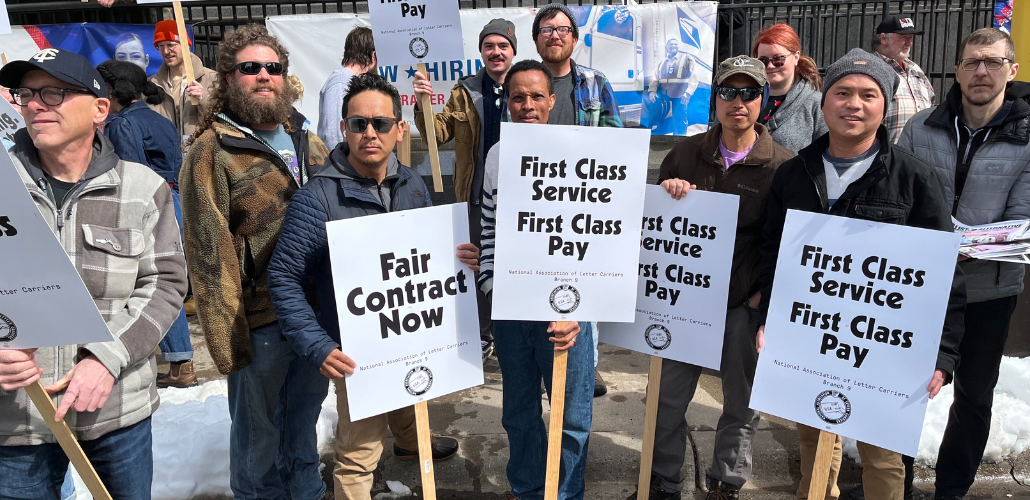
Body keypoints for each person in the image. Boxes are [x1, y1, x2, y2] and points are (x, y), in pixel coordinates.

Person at [755, 48, 965, 500]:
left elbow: (942, 274)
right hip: (810, 334)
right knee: (812, 435)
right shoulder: (794, 174)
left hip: (885, 345)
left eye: (868, 94)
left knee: (882, 454)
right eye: (843, 92)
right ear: (824, 100)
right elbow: (774, 254)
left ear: (884, 106)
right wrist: (767, 320)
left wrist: (942, 355)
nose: (854, 104)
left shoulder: (914, 179)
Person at [267, 72, 477, 500]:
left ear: (400, 129)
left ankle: (409, 442)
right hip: (357, 350)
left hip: (409, 333)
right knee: (359, 453)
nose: (369, 133)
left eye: (380, 124)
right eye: (358, 123)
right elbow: (284, 277)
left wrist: (460, 259)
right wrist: (318, 346)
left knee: (411, 398)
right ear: (343, 129)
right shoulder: (318, 199)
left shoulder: (413, 184)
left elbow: (427, 257)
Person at [0, 48, 187, 500]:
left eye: (54, 92)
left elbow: (165, 284)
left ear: (100, 109)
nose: (35, 104)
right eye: (27, 93)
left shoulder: (143, 189)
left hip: (117, 412)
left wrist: (106, 357)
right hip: (17, 420)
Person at [178, 24, 332, 500]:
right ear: (228, 78)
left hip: (312, 320)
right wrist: (231, 344)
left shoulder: (305, 137)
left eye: (273, 68)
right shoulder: (212, 151)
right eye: (250, 68)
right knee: (257, 442)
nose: (264, 76)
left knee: (302, 427)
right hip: (259, 324)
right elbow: (209, 254)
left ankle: (306, 493)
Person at [631, 56, 795, 500]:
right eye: (728, 92)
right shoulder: (685, 154)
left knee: (740, 405)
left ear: (763, 100)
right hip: (682, 303)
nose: (737, 102)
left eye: (748, 93)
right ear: (715, 98)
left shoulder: (783, 166)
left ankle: (726, 483)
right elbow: (654, 225)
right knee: (665, 401)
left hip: (742, 305)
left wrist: (764, 297)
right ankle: (664, 482)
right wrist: (669, 196)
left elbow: (787, 242)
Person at [898, 28, 1028, 500]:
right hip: (922, 286)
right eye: (972, 61)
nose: (981, 71)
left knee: (973, 396)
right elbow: (903, 200)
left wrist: (966, 241)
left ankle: (951, 490)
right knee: (906, 389)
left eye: (993, 62)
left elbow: (1022, 219)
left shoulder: (1028, 137)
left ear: (1011, 71)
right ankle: (895, 482)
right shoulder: (922, 126)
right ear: (957, 69)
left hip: (989, 291)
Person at [477, 58, 589, 500]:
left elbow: (598, 236)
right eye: (517, 96)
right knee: (519, 411)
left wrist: (582, 308)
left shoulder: (582, 150)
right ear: (506, 102)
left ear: (552, 100)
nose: (526, 104)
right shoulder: (497, 155)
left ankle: (564, 494)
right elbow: (488, 226)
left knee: (571, 416)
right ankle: (527, 490)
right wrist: (490, 286)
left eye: (536, 96)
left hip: (568, 312)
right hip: (510, 308)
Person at [412, 18, 518, 363]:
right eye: (489, 46)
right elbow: (436, 134)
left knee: (514, 268)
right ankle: (483, 337)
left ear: (513, 51)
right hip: (475, 196)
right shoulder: (465, 89)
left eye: (503, 46)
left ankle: (511, 338)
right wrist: (422, 104)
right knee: (477, 268)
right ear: (481, 51)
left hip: (521, 200)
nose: (496, 52)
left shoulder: (526, 85)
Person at [533, 3, 621, 396]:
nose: (555, 34)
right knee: (538, 287)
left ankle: (587, 366)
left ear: (575, 38)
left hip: (587, 204)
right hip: (537, 204)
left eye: (563, 29)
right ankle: (543, 365)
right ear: (536, 39)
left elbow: (615, 142)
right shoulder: (524, 83)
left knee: (587, 287)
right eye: (547, 29)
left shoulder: (596, 83)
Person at [96, 59, 196, 388]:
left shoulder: (121, 124)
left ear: (113, 90)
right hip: (175, 200)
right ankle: (180, 360)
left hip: (151, 204)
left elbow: (131, 174)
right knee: (168, 279)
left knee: (156, 283)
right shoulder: (159, 119)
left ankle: (181, 361)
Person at [752, 23, 828, 153]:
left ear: (796, 57)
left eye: (778, 59)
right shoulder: (744, 97)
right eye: (763, 61)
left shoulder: (816, 105)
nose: (770, 66)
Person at [148, 19, 218, 146]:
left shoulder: (212, 78)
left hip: (201, 155)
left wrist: (203, 100)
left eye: (170, 45)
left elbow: (224, 121)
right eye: (160, 46)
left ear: (186, 45)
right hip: (166, 158)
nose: (165, 52)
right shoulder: (152, 84)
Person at [872, 15, 935, 143]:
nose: (909, 43)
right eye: (903, 37)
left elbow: (932, 102)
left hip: (919, 153)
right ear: (883, 38)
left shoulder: (915, 68)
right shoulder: (871, 68)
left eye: (910, 38)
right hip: (887, 155)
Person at [317, 26, 377, 149]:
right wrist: (342, 165)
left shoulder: (347, 81)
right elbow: (333, 134)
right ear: (373, 56)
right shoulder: (341, 83)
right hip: (341, 165)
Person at [641, 38, 698, 135]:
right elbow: (655, 78)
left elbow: (694, 77)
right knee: (660, 118)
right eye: (671, 44)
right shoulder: (662, 63)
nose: (673, 46)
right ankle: (661, 143)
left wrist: (688, 93)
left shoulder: (687, 59)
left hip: (680, 96)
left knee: (679, 120)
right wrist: (652, 91)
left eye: (675, 44)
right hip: (665, 95)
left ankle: (680, 142)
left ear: (678, 47)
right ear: (666, 48)